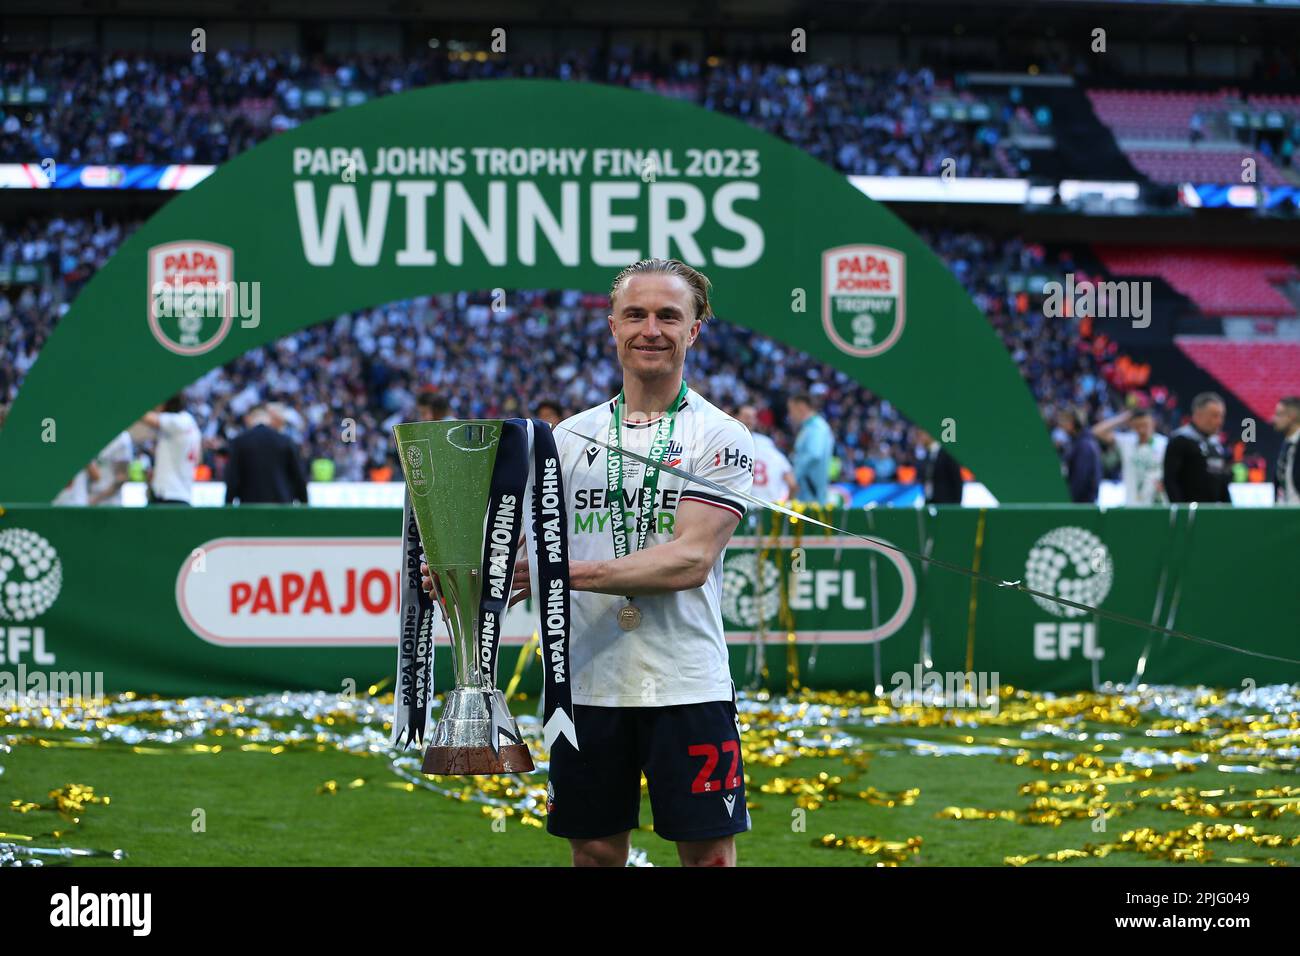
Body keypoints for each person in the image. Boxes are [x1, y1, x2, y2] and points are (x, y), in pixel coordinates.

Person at [426, 258, 754, 867]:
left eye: (668, 315)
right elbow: (526, 556)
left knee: (708, 857)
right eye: (635, 314)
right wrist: (467, 575)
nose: (650, 328)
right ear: (611, 325)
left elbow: (689, 562)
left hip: (686, 681)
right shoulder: (565, 439)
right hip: (587, 684)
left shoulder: (722, 436)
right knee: (597, 854)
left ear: (695, 330)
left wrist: (558, 574)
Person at [224, 405, 308, 505]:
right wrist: (304, 504)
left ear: (248, 419)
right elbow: (298, 477)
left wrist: (228, 505)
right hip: (282, 506)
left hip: (250, 507)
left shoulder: (240, 442)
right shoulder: (285, 441)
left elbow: (232, 479)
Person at [1164, 392, 1232, 504]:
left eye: (1221, 416)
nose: (1219, 421)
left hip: (1213, 514)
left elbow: (1222, 482)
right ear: (1198, 415)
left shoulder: (1216, 444)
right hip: (1190, 515)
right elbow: (1170, 481)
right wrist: (1182, 512)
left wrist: (1229, 510)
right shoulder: (1180, 440)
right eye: (1214, 416)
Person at [1091, 407, 1167, 505]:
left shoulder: (1164, 444)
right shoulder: (1127, 441)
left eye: (1145, 425)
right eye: (1138, 426)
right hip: (1132, 503)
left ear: (1153, 423)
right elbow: (1096, 431)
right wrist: (1122, 418)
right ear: (1132, 425)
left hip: (1156, 502)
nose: (1142, 430)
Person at [140, 394, 201, 505]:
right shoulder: (190, 423)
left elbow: (147, 417)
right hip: (180, 493)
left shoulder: (179, 421)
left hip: (169, 495)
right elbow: (197, 460)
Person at [737, 404, 795, 503]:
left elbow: (792, 483)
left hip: (751, 505)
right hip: (766, 505)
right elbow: (792, 484)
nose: (750, 421)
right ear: (735, 417)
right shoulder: (765, 442)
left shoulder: (765, 443)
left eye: (753, 417)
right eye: (747, 417)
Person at [787, 391, 834, 504]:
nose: (790, 415)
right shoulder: (810, 427)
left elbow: (814, 454)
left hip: (812, 495)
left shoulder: (817, 427)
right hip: (808, 494)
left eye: (791, 409)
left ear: (801, 407)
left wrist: (794, 475)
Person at [1056, 407, 1101, 504]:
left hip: (1082, 505)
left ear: (1073, 423)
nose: (1061, 425)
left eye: (1064, 421)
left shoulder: (1084, 445)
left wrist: (1068, 500)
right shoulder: (1077, 443)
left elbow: (1080, 478)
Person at [914, 427, 963, 504]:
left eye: (921, 434)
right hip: (929, 501)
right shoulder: (926, 454)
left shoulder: (947, 453)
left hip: (946, 502)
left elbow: (957, 480)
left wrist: (957, 505)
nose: (919, 438)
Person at [88, 430, 134, 506]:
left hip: (110, 503)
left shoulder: (121, 439)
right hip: (87, 497)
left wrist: (95, 499)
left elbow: (122, 477)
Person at [1271, 395, 1300, 504]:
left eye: (1278, 414)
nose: (1273, 419)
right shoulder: (1286, 445)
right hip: (1285, 516)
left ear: (1291, 416)